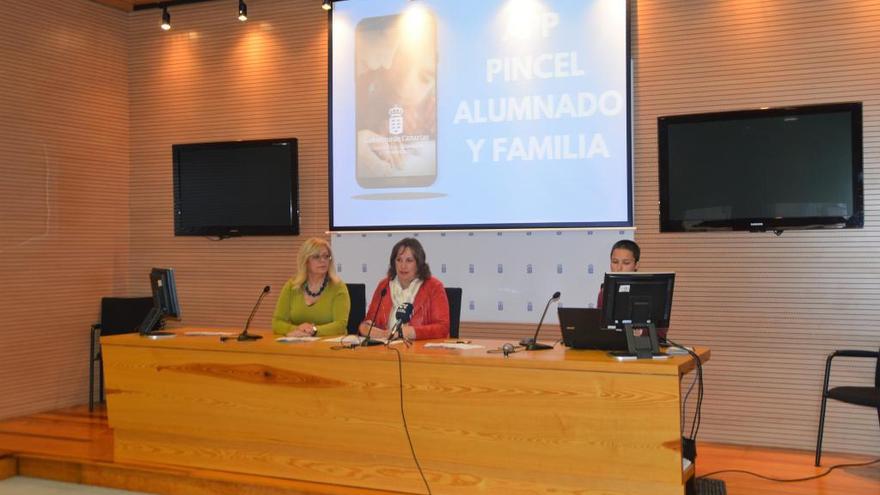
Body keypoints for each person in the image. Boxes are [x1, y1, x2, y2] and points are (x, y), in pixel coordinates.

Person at [359, 237, 449, 341]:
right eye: (399, 260)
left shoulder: (434, 287)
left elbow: (443, 328)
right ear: (394, 263)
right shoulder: (384, 286)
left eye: (409, 261)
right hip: (385, 350)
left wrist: (410, 332)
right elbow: (369, 322)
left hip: (420, 351)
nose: (403, 266)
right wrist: (375, 331)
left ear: (419, 264)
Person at [272, 238, 350, 337]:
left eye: (326, 256)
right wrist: (297, 329)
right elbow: (277, 322)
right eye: (316, 257)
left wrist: (314, 330)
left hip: (330, 347)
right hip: (298, 343)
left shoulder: (338, 287)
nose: (323, 260)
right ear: (305, 260)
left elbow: (340, 325)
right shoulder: (292, 286)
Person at [596, 239, 640, 309]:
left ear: (636, 265)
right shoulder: (604, 292)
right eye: (615, 262)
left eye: (626, 263)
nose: (619, 268)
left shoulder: (648, 289)